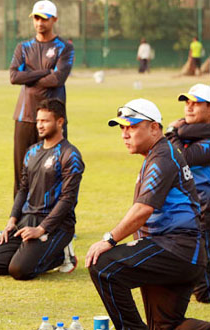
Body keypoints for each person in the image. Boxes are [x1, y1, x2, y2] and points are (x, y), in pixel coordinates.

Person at [87, 98, 210, 330]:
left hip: (176, 250)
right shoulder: (158, 154)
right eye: (122, 128)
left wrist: (110, 239)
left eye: (132, 126)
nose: (125, 134)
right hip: (183, 253)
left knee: (103, 265)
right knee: (166, 326)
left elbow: (143, 209)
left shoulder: (162, 156)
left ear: (154, 127)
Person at [0, 99, 83, 280]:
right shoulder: (32, 152)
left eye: (45, 121)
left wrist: (41, 229)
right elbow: (23, 189)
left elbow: (67, 199)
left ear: (60, 122)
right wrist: (12, 221)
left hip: (56, 224)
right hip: (27, 218)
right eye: (38, 121)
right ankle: (38, 251)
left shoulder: (70, 155)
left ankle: (64, 255)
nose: (39, 125)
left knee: (19, 270)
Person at [9, 0, 74, 197]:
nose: (40, 23)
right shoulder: (24, 47)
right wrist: (45, 71)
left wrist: (29, 75)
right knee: (22, 172)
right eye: (36, 18)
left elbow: (58, 78)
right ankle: (17, 222)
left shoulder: (64, 47)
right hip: (26, 116)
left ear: (54, 19)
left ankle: (51, 223)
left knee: (54, 170)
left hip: (54, 118)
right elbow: (14, 77)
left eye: (44, 18)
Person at [166, 83, 210, 303]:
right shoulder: (187, 135)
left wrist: (173, 131)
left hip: (206, 214)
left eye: (197, 103)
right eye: (187, 103)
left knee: (203, 292)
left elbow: (182, 158)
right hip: (191, 214)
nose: (189, 108)